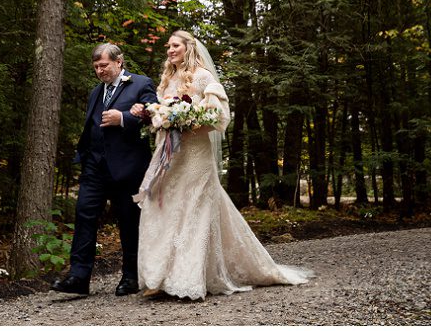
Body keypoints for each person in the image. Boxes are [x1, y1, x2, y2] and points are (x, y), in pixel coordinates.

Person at [130, 30, 312, 300]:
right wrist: (151, 114)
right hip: (170, 155)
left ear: (188, 48)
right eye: (168, 46)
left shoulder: (204, 77)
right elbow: (160, 116)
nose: (170, 50)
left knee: (192, 210)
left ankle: (187, 279)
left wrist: (186, 120)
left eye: (175, 46)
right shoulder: (167, 80)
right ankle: (161, 276)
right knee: (165, 210)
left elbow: (218, 116)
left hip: (195, 154)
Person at [52, 43, 157, 297]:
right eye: (96, 66)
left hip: (128, 167)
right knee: (84, 215)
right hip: (95, 167)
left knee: (129, 221)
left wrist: (122, 119)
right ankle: (79, 276)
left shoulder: (141, 84)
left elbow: (154, 114)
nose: (100, 71)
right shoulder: (95, 93)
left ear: (119, 62)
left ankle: (131, 277)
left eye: (104, 65)